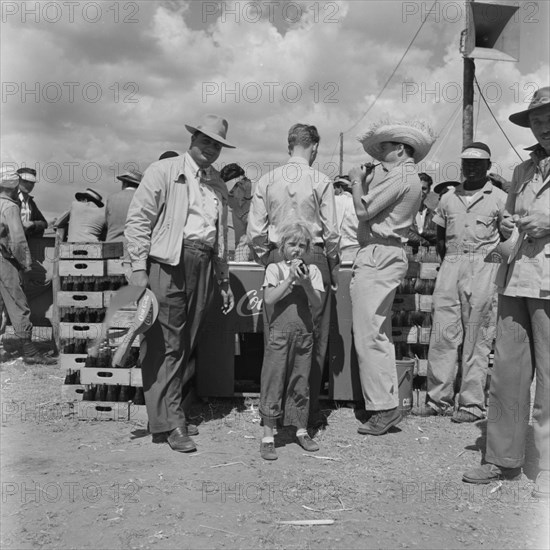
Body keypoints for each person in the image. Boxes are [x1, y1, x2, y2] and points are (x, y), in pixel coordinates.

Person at [125, 114, 236, 453]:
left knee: (184, 343)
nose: (211, 148)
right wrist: (138, 268)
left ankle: (163, 415)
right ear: (192, 140)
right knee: (166, 342)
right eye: (206, 141)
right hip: (168, 261)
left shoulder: (217, 183)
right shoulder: (165, 171)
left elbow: (220, 235)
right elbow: (139, 219)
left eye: (217, 144)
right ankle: (172, 423)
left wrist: (223, 277)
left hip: (203, 263)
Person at [463, 86, 550, 499]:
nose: (544, 126)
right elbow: (513, 221)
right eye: (537, 120)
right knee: (508, 374)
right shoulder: (522, 171)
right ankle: (501, 458)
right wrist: (508, 227)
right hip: (517, 278)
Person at [247, 123, 340, 427]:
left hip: (278, 251)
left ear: (290, 145)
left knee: (276, 337)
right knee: (313, 336)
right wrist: (331, 264)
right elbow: (332, 231)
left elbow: (255, 232)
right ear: (314, 147)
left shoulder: (267, 179)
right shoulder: (320, 179)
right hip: (313, 253)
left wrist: (271, 258)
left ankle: (271, 415)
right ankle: (303, 415)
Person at [349, 119, 436, 435]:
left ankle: (383, 407)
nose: (379, 152)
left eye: (385, 146)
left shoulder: (401, 175)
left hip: (379, 254)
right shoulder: (409, 177)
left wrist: (357, 182)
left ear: (400, 148)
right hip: (386, 253)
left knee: (369, 333)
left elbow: (363, 210)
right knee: (378, 332)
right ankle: (386, 403)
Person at [413, 142, 507, 423]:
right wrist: (452, 263)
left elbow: (507, 239)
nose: (472, 168)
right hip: (451, 264)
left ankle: (471, 404)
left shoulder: (500, 198)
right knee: (443, 332)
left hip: (484, 266)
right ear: (462, 166)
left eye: (478, 164)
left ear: (489, 166)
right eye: (467, 163)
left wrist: (489, 268)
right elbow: (440, 239)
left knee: (477, 335)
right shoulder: (448, 198)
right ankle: (438, 399)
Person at [259, 221, 324, 460]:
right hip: (279, 335)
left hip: (303, 335)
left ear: (308, 249)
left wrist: (305, 283)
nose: (296, 249)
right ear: (282, 246)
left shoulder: (313, 271)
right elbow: (269, 299)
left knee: (300, 382)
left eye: (301, 245)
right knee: (273, 380)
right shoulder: (275, 269)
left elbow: (317, 304)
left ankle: (300, 429)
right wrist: (288, 281)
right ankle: (268, 435)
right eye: (291, 244)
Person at [0, 167, 56, 365]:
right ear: (14, 186)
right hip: (4, 260)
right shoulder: (10, 206)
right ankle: (30, 351)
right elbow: (17, 240)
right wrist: (25, 263)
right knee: (18, 302)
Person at [16, 168, 52, 301]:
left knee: (46, 278)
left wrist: (32, 224)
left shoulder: (30, 202)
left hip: (23, 250)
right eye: (25, 181)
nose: (29, 185)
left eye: (32, 183)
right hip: (7, 249)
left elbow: (44, 223)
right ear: (18, 180)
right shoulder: (9, 199)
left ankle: (17, 301)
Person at [220, 163, 253, 261]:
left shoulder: (261, 197)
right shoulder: (229, 203)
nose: (229, 199)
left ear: (242, 184)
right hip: (234, 254)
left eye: (231, 193)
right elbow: (241, 243)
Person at [105, 169, 143, 243]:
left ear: (124, 183)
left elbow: (107, 222)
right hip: (134, 245)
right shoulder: (143, 199)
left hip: (111, 245)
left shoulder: (111, 198)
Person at [406, 172, 438, 254]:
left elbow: (439, 235)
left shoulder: (434, 215)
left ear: (428, 191)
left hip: (429, 262)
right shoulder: (403, 212)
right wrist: (428, 244)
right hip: (406, 259)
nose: (420, 192)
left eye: (424, 188)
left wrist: (421, 231)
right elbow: (405, 233)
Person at [333, 175, 360, 263]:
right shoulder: (360, 204)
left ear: (340, 188)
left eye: (335, 188)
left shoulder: (335, 201)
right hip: (361, 250)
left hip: (345, 251)